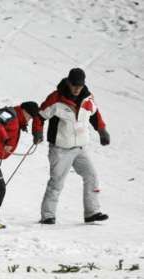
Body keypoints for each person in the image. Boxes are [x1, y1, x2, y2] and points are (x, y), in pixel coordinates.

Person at [34, 68, 110, 224]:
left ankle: (92, 213)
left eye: (79, 85)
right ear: (68, 82)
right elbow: (39, 116)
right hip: (60, 149)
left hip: (80, 148)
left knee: (91, 176)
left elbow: (95, 114)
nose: (76, 88)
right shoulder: (56, 99)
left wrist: (102, 130)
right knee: (57, 182)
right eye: (74, 85)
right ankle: (47, 215)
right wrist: (37, 132)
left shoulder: (87, 98)